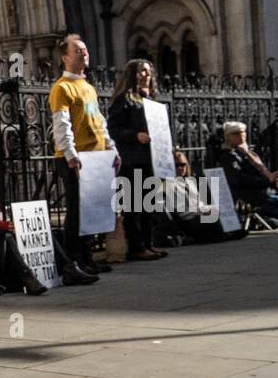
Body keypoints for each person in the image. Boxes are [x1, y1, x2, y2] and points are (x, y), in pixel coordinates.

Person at [0, 176, 96, 296]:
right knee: (3, 235)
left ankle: (68, 269)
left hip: (4, 253)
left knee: (45, 232)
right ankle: (27, 277)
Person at [49, 33, 121, 273]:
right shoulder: (62, 88)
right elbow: (62, 123)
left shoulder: (87, 87)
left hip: (97, 157)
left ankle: (88, 257)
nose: (84, 53)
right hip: (76, 159)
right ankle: (75, 261)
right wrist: (70, 154)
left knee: (92, 210)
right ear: (64, 56)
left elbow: (98, 120)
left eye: (85, 49)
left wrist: (112, 148)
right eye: (77, 50)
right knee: (76, 211)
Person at [106, 58, 168, 261]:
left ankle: (148, 244)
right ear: (132, 74)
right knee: (133, 206)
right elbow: (113, 129)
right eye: (141, 71)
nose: (145, 75)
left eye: (149, 71)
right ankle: (136, 247)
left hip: (152, 159)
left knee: (148, 205)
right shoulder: (124, 99)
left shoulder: (153, 100)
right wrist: (135, 136)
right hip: (132, 160)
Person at [167, 150, 246, 243]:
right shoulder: (169, 184)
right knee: (213, 220)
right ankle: (224, 234)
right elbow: (183, 211)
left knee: (225, 211)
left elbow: (199, 204)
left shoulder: (189, 181)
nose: (180, 168)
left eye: (183, 165)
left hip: (198, 213)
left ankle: (231, 231)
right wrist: (205, 211)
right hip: (188, 219)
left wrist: (214, 208)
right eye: (177, 165)